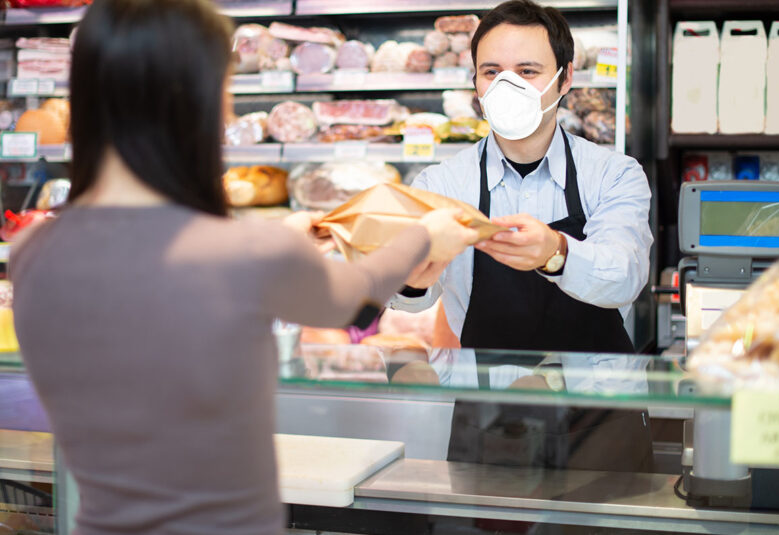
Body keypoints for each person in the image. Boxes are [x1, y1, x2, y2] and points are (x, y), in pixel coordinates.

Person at [9, 1, 477, 534]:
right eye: (224, 91)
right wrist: (424, 235)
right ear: (192, 103)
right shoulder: (244, 256)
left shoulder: (35, 251)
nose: (229, 115)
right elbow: (358, 299)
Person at [389, 0, 655, 478]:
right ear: (475, 81)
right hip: (489, 417)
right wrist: (409, 277)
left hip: (598, 419)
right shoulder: (440, 184)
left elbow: (625, 276)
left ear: (566, 77)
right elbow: (410, 302)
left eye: (527, 70)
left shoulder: (614, 175)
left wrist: (557, 253)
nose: (507, 85)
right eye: (492, 71)